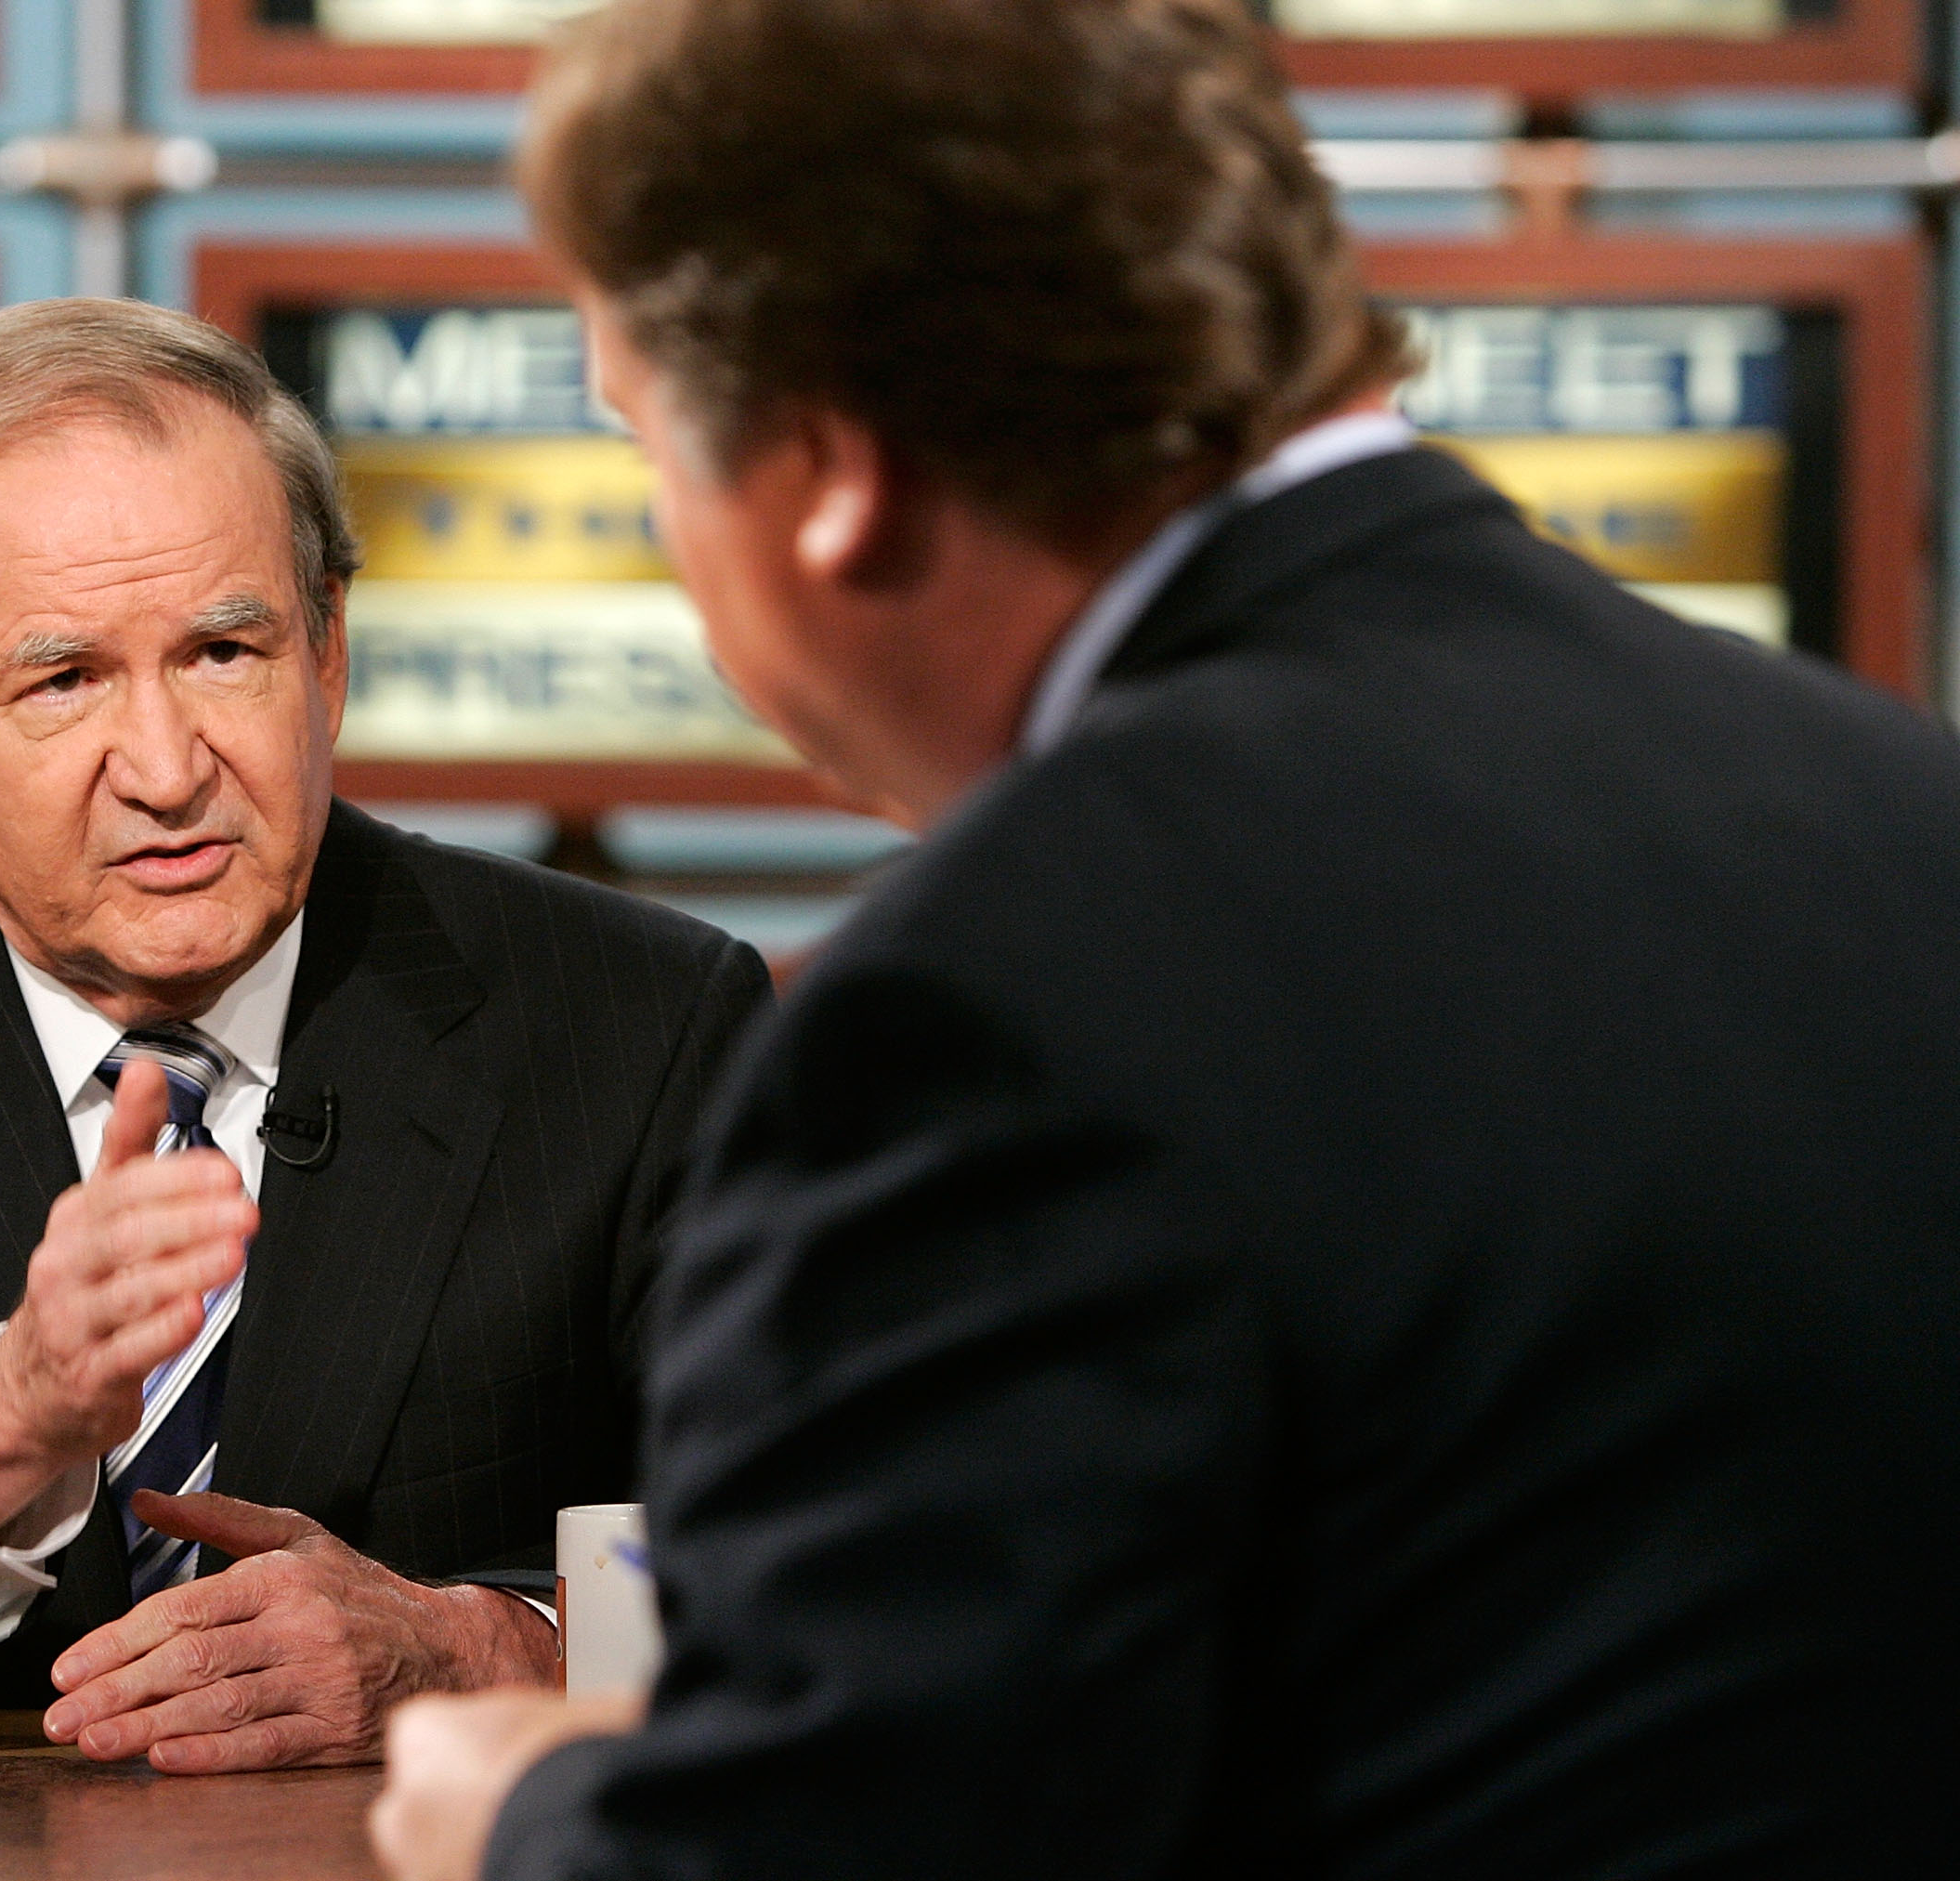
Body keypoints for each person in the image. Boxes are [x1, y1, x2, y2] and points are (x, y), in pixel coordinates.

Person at [370, 0, 1960, 1874]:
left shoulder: (998, 996)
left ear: (828, 465)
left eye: (647, 440)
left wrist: (531, 1815)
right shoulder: (1897, 810)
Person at [0, 298, 772, 1770]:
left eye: (225, 651)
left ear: (328, 655)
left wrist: (496, 1650)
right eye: (65, 680)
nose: (169, 768)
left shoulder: (639, 1024)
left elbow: (839, 1555)